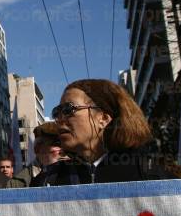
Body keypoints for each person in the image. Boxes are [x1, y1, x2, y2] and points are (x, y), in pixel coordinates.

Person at [32, 79, 173, 186]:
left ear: (103, 119)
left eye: (68, 110)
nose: (60, 118)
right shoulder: (47, 180)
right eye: (57, 112)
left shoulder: (147, 171)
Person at [8, 122, 66, 188]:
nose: (63, 150)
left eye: (65, 144)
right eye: (57, 144)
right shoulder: (19, 183)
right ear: (37, 149)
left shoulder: (75, 171)